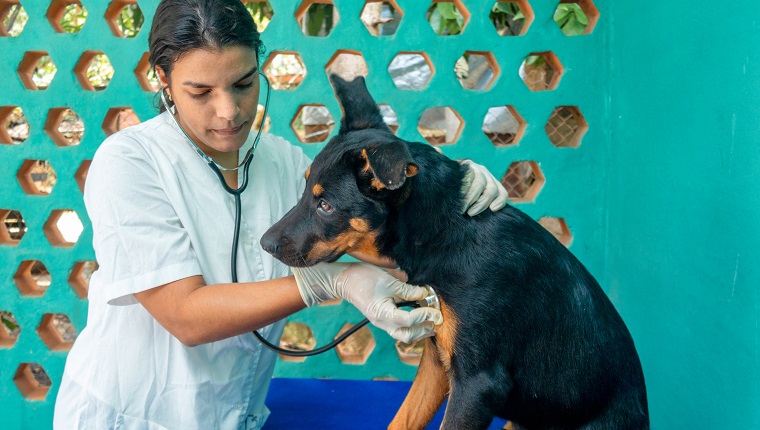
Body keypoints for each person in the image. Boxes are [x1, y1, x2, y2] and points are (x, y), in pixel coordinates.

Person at [52, 1, 509, 428]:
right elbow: (185, 316)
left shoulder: (282, 162)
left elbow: (382, 239)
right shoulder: (128, 162)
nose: (229, 112)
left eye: (244, 84)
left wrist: (445, 189)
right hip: (135, 416)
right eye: (200, 92)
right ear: (163, 79)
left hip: (240, 415)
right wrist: (330, 280)